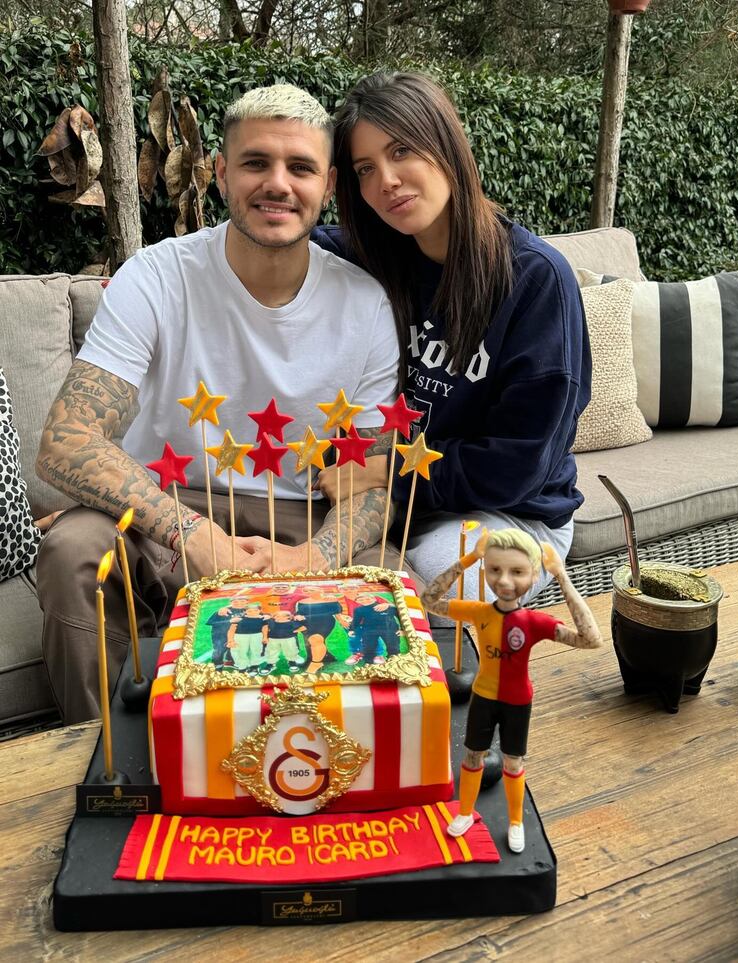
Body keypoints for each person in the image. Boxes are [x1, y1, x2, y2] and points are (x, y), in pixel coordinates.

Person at [35, 84, 402, 724]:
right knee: (74, 555)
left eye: (301, 167)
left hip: (304, 513)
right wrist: (192, 533)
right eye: (256, 163)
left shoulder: (366, 303)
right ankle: (110, 765)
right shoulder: (154, 277)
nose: (277, 184)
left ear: (330, 184)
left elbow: (369, 479)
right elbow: (65, 441)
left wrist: (311, 560)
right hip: (167, 506)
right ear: (220, 171)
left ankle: (335, 775)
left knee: (399, 585)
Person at [313, 72, 591, 615]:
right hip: (399, 501)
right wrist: (173, 276)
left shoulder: (535, 280)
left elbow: (519, 464)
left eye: (402, 151)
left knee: (446, 596)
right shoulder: (375, 257)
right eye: (366, 169)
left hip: (509, 513)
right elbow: (283, 238)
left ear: (446, 145)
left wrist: (387, 472)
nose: (386, 181)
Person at [420, 527, 602, 853]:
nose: (504, 581)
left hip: (518, 701)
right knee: (473, 756)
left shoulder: (534, 622)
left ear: (533, 575)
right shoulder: (479, 613)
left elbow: (590, 639)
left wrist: (561, 576)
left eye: (516, 572)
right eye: (494, 569)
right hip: (484, 697)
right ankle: (464, 812)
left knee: (512, 763)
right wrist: (469, 558)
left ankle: (516, 821)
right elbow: (428, 600)